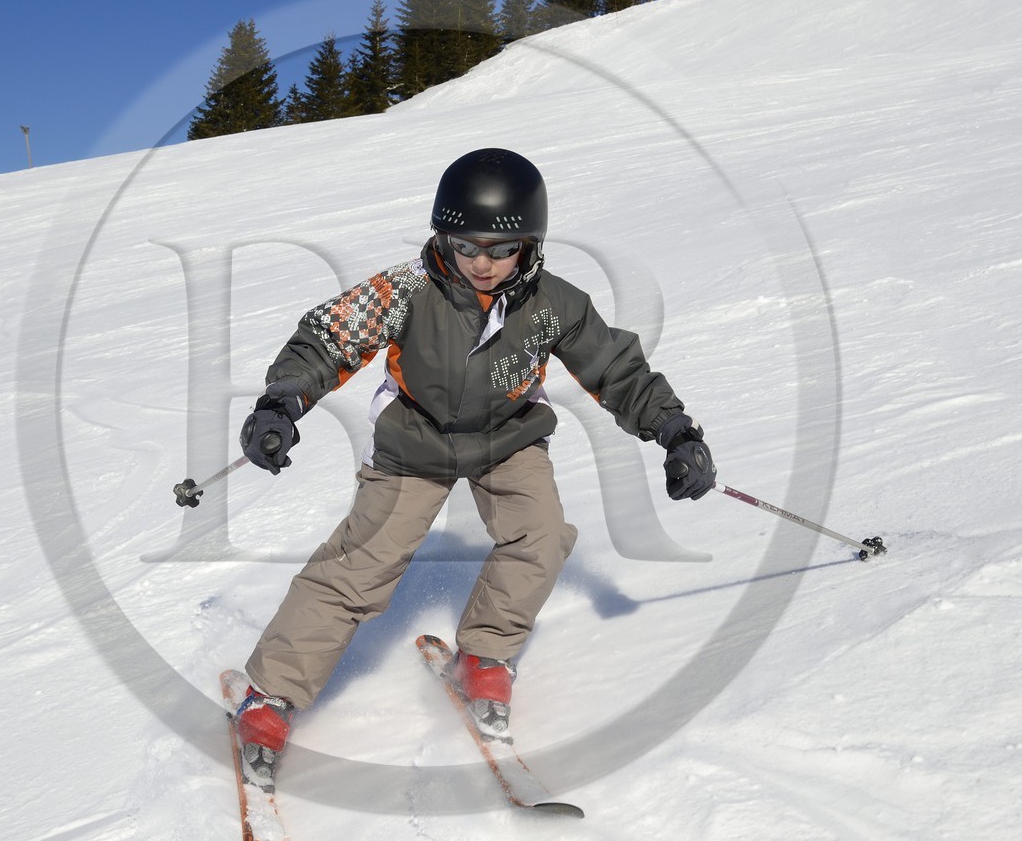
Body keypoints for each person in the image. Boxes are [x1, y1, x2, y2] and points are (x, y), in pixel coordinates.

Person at [230, 148, 717, 764]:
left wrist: (675, 430)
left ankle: (485, 656)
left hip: (507, 437)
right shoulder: (406, 288)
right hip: (416, 440)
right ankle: (272, 696)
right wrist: (282, 402)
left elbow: (617, 369)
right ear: (443, 240)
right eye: (465, 247)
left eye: (500, 248)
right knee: (363, 562)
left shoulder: (555, 304)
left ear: (530, 246)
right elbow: (329, 339)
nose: (481, 263)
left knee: (539, 536)